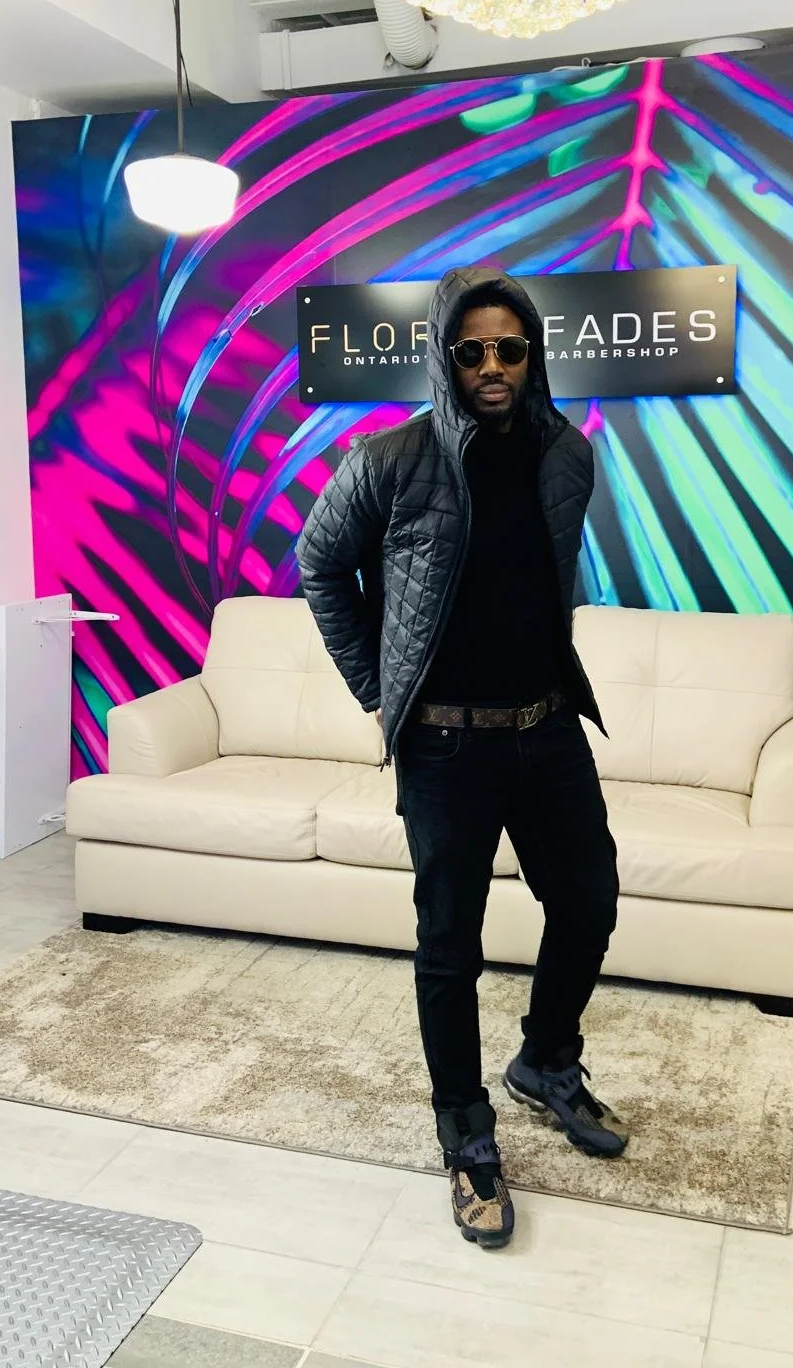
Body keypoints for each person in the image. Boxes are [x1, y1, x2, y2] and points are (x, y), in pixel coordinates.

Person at [297, 266, 625, 1251]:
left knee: (591, 899)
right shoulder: (389, 458)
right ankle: (465, 1130)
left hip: (546, 723)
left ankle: (547, 1063)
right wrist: (377, 688)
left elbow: (543, 584)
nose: (491, 366)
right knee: (450, 941)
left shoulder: (568, 456)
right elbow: (319, 561)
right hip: (444, 741)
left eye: (509, 350)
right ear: (445, 355)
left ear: (534, 358)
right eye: (471, 349)